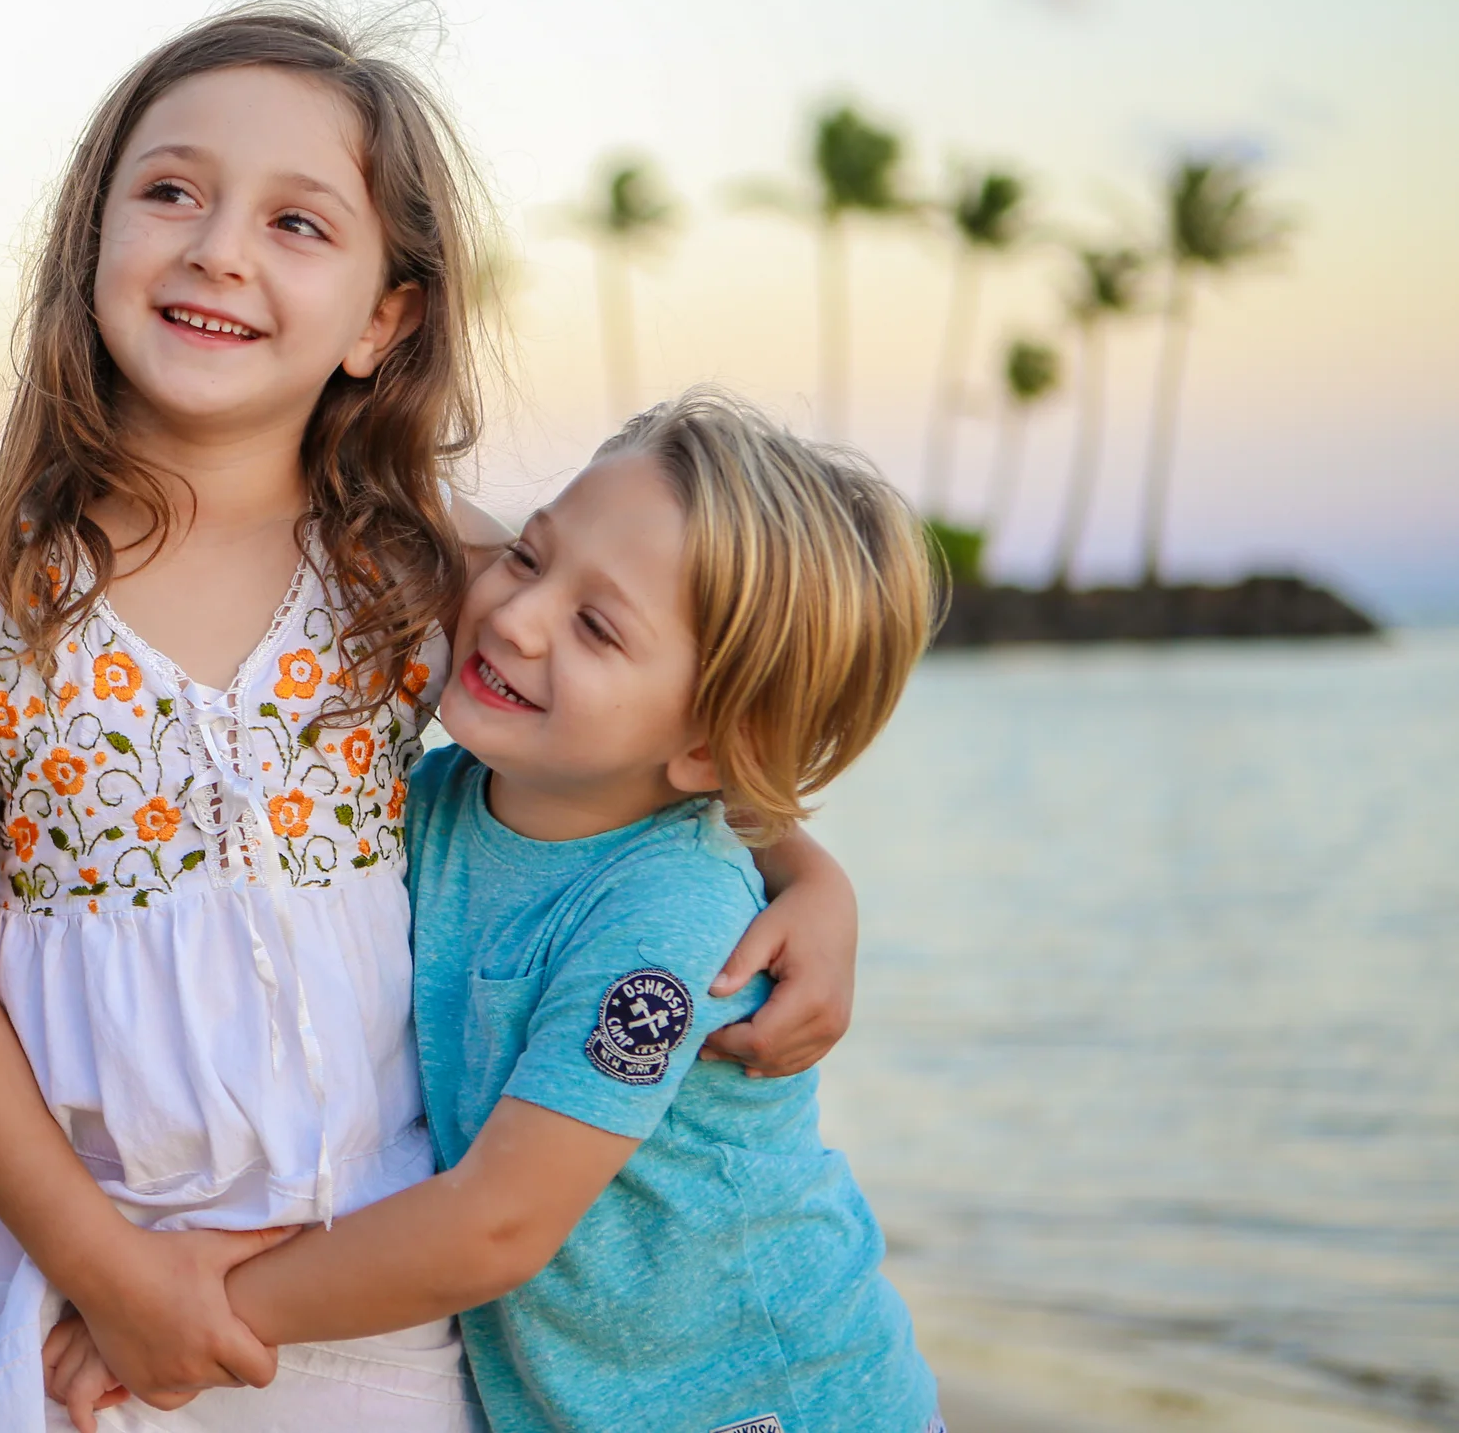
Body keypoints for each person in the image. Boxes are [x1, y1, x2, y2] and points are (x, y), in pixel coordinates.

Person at [0, 2, 864, 1433]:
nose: (219, 246)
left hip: (380, 1281)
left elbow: (654, 730)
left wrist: (811, 876)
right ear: (90, 232)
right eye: (171, 191)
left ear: (383, 320)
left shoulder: (408, 560)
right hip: (74, 1283)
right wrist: (108, 1268)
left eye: (298, 224)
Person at [47, 390, 943, 1433]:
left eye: (597, 626)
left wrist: (185, 1311)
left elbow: (497, 1226)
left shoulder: (669, 915)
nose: (516, 615)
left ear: (709, 743)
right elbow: (366, 490)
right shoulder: (430, 799)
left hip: (774, 1403)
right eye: (526, 555)